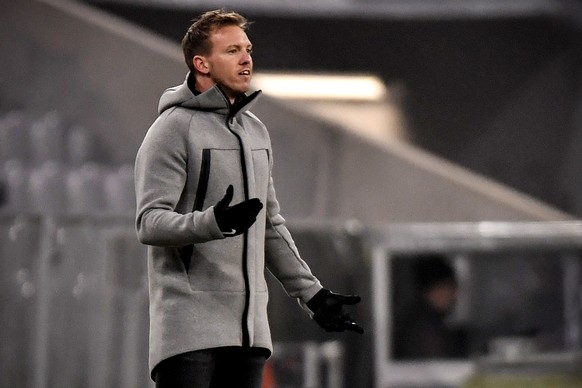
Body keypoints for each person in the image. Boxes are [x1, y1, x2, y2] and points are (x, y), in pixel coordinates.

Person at [134, 9, 363, 388]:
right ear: (201, 63)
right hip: (188, 335)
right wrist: (213, 223)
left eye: (248, 49)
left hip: (250, 338)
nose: (246, 59)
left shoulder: (256, 132)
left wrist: (313, 295)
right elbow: (149, 223)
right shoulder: (171, 130)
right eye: (232, 51)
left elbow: (270, 226)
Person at [393, 254, 467, 360]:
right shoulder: (424, 325)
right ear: (434, 289)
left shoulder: (423, 318)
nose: (453, 296)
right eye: (449, 287)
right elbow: (438, 366)